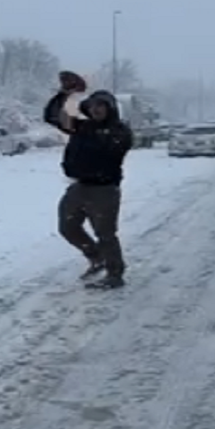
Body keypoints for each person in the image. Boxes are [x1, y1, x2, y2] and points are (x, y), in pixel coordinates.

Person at [43, 75, 134, 289]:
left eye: (102, 106)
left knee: (105, 233)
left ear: (110, 108)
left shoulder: (119, 131)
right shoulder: (80, 127)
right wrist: (65, 93)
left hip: (104, 190)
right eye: (93, 106)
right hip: (79, 186)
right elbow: (52, 115)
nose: (96, 109)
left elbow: (109, 149)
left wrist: (91, 132)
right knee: (68, 226)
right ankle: (96, 256)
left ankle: (115, 273)